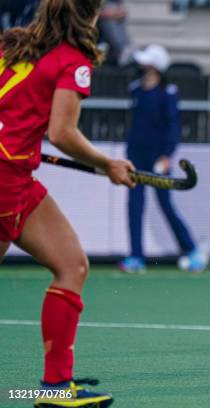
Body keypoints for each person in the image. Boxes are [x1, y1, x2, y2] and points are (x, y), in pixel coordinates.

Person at [0, 0, 135, 406]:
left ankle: (57, 383)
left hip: (15, 176)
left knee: (71, 264)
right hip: (8, 180)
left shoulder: (12, 44)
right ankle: (55, 386)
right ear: (91, 15)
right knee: (71, 266)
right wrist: (107, 162)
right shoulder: (73, 60)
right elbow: (61, 132)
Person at [118, 44, 207, 274]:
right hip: (136, 158)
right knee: (134, 206)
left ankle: (191, 250)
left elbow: (173, 127)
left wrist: (167, 155)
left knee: (165, 204)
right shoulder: (136, 89)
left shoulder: (168, 93)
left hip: (158, 158)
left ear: (156, 67)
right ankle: (136, 256)